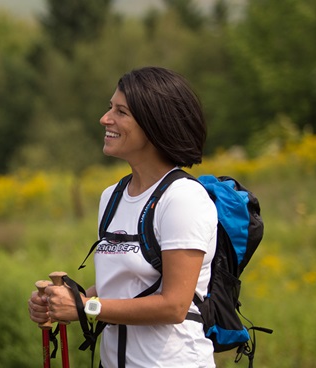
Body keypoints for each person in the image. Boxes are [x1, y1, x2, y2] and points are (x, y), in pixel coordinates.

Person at [28, 66, 217, 368]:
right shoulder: (112, 197)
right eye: (109, 108)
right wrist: (63, 302)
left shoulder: (183, 198)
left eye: (121, 112)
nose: (105, 119)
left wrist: (85, 307)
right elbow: (124, 288)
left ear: (155, 124)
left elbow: (174, 305)